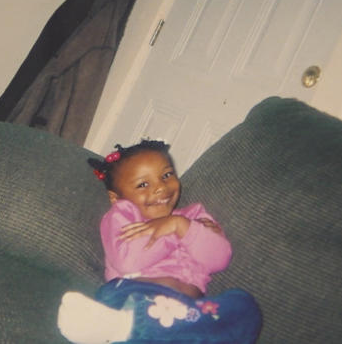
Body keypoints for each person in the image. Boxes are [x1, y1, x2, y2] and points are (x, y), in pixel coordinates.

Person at [57, 140, 262, 344]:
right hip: (133, 295)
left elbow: (219, 259)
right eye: (143, 184)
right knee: (135, 320)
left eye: (166, 175)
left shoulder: (194, 216)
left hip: (186, 314)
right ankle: (122, 326)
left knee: (243, 305)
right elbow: (128, 261)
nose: (160, 188)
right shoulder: (123, 214)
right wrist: (173, 229)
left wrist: (182, 226)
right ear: (116, 198)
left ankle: (131, 331)